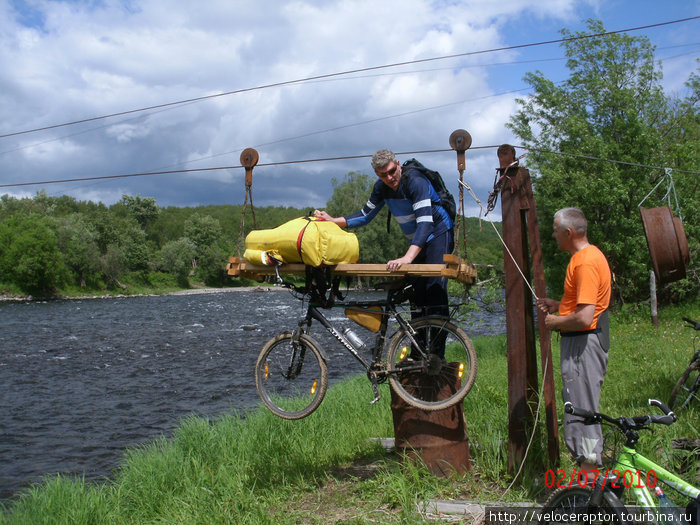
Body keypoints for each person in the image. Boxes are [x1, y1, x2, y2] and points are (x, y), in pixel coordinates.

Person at [314, 149, 454, 355]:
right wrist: (334, 220)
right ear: (377, 174)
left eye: (391, 171)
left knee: (435, 289)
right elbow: (365, 215)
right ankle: (419, 354)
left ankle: (436, 354)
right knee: (416, 294)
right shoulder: (381, 187)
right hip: (418, 241)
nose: (389, 178)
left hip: (439, 232)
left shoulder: (415, 181)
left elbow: (425, 221)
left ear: (397, 164)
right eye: (382, 175)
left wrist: (408, 257)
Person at [536, 207, 611, 475]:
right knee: (580, 407)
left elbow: (585, 317)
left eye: (556, 230)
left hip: (583, 345)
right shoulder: (585, 257)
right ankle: (589, 478)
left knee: (582, 411)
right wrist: (559, 305)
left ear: (568, 233)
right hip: (583, 342)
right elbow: (583, 305)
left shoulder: (586, 262)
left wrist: (555, 322)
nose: (553, 234)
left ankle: (589, 483)